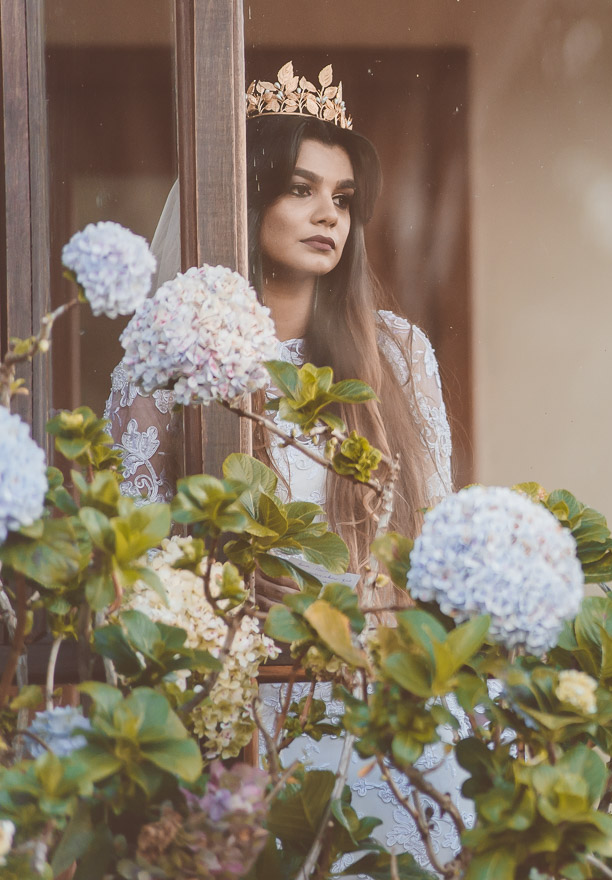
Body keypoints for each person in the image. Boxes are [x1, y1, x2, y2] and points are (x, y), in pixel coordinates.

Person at [106, 63, 466, 866]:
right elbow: (133, 556)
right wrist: (221, 580)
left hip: (382, 701)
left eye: (341, 199)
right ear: (247, 195)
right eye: (300, 189)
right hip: (242, 706)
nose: (326, 216)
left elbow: (436, 540)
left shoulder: (400, 356)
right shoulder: (168, 356)